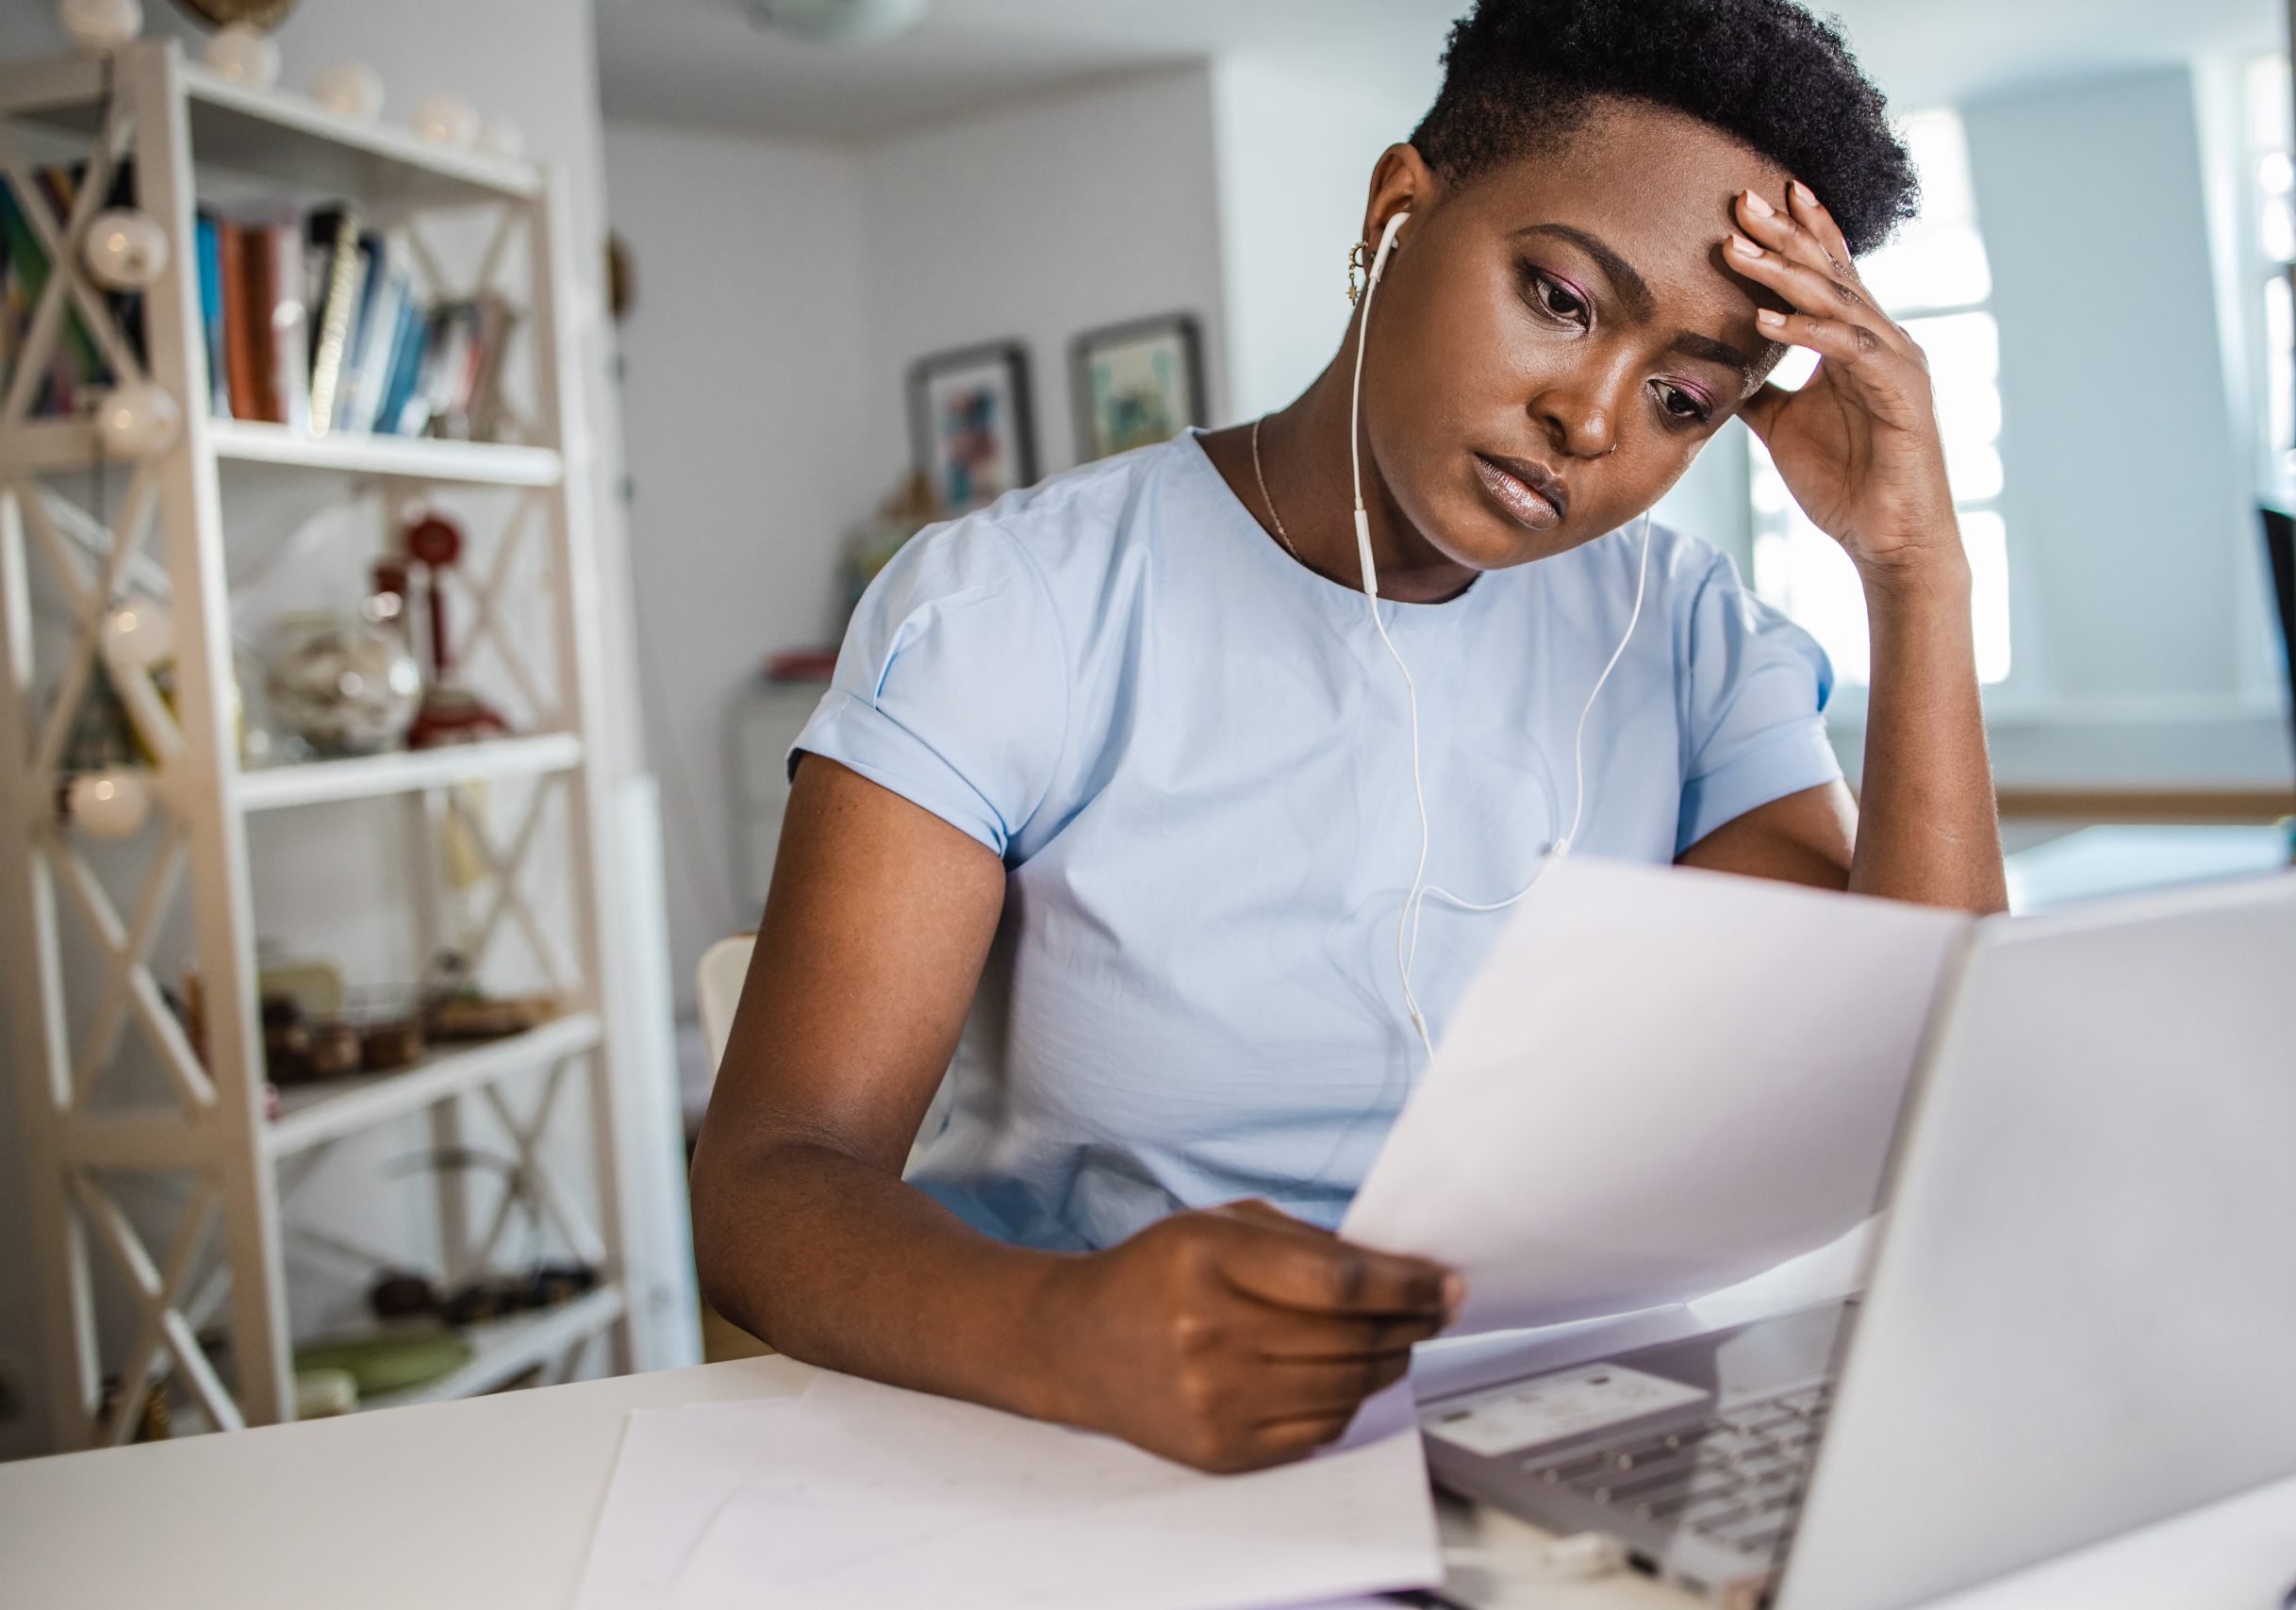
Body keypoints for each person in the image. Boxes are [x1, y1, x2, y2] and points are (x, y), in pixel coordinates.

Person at [691, 0, 2007, 1475]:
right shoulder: (1018, 607)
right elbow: (769, 1181)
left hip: (1578, 1434)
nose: (1589, 418)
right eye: (1562, 299)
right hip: (1105, 1437)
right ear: (1398, 210)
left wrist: (1917, 568)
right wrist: (1061, 1330)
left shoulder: (1687, 636)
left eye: (1683, 395)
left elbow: (1904, 1066)